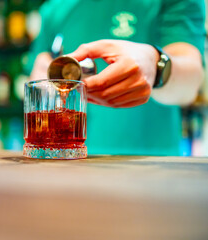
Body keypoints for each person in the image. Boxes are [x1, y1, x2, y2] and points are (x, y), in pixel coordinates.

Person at [26, 0, 206, 155]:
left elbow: (190, 85)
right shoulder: (54, 8)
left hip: (149, 172)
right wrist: (40, 74)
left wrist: (155, 65)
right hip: (69, 167)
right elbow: (36, 72)